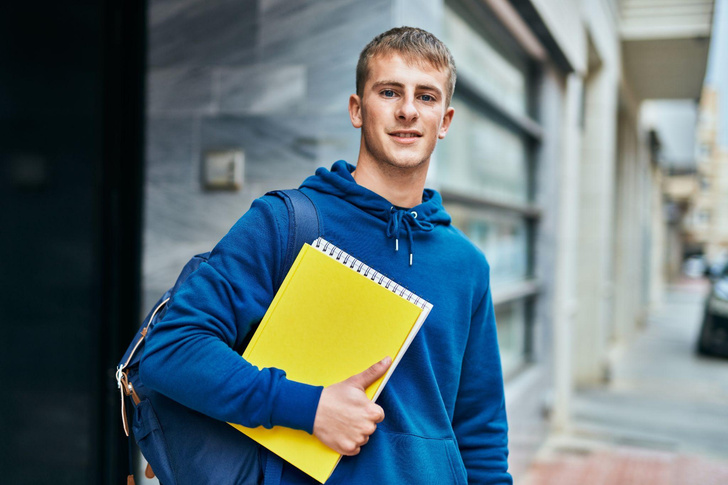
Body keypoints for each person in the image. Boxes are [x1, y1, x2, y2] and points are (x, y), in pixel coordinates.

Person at [140, 26, 512, 484]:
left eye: (427, 97)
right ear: (358, 109)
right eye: (389, 91)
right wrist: (309, 408)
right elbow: (173, 349)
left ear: (446, 120)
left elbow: (481, 434)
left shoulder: (466, 266)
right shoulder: (287, 223)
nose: (408, 110)